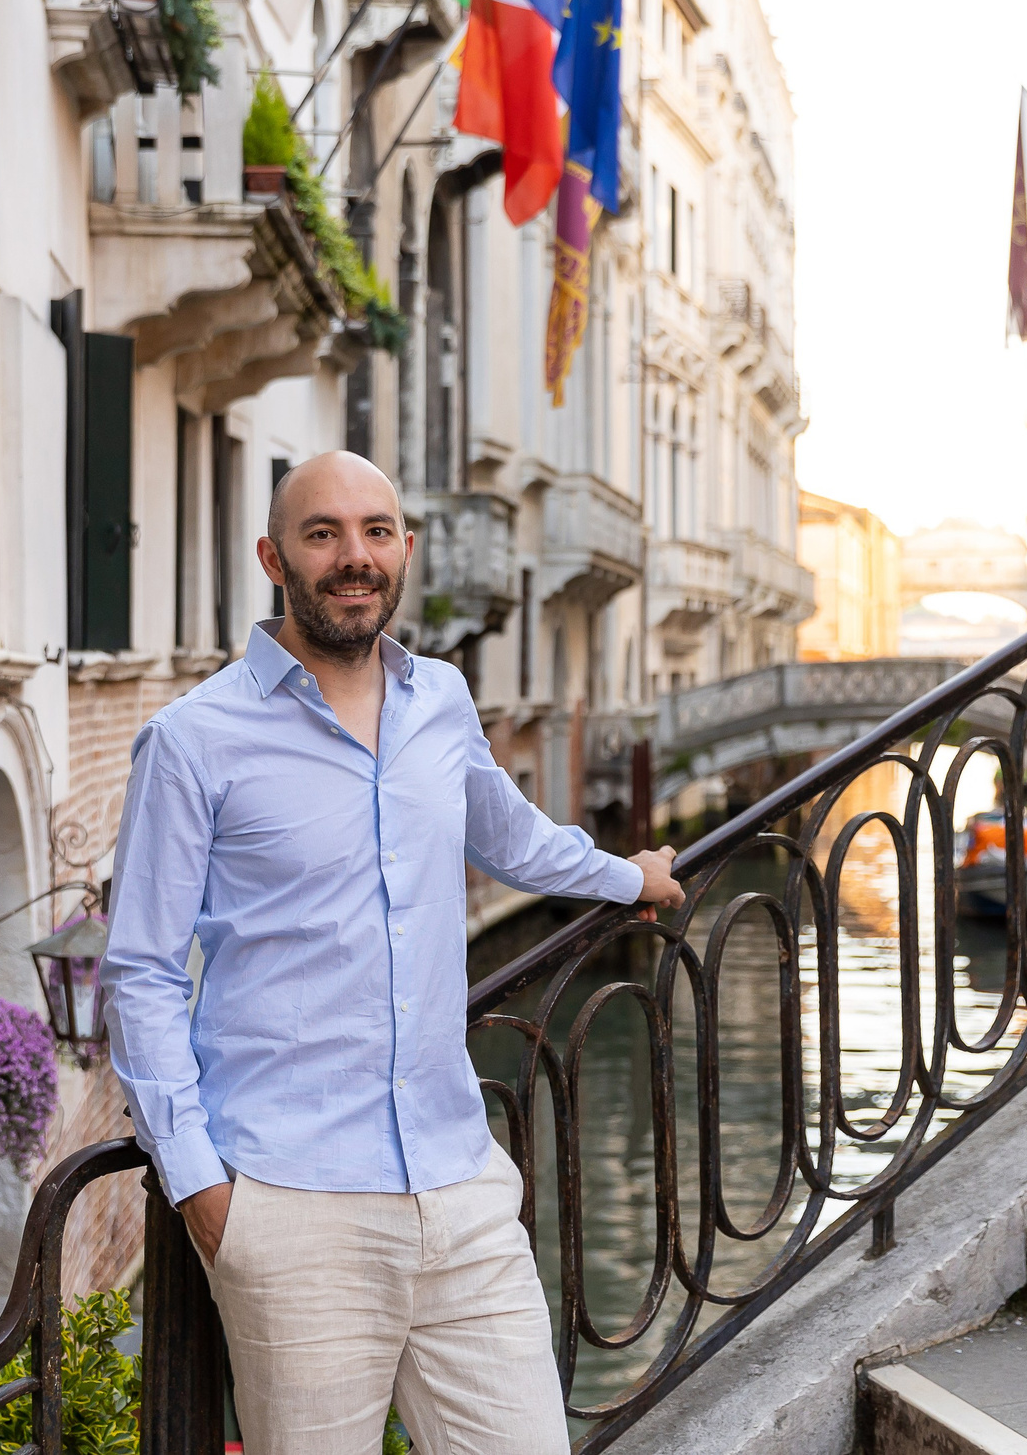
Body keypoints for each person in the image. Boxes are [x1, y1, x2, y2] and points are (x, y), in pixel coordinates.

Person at [101, 450, 683, 1455]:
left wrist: (626, 877)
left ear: (404, 548)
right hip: (293, 1207)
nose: (352, 556)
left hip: (459, 1185)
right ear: (273, 557)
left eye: (374, 531)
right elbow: (140, 972)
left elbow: (507, 834)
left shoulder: (442, 700)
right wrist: (200, 1186)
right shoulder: (192, 740)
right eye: (321, 533)